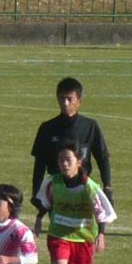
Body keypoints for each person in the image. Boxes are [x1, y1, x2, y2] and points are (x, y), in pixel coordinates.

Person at [34, 145, 116, 264]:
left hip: (83, 238)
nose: (64, 164)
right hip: (58, 235)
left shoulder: (89, 186)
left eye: (68, 160)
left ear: (79, 162)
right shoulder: (53, 182)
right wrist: (39, 218)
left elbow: (102, 211)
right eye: (61, 160)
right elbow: (46, 202)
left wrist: (101, 234)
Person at [29, 76, 113, 210]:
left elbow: (103, 158)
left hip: (83, 187)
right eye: (62, 98)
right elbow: (40, 163)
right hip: (57, 188)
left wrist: (107, 187)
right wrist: (36, 192)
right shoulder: (47, 128)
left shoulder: (89, 126)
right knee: (60, 225)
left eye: (70, 99)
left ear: (79, 101)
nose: (65, 103)